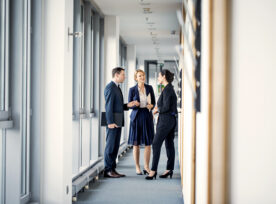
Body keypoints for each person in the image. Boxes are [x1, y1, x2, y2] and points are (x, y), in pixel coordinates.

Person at [103, 67, 138, 178]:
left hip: (117, 119)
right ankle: (108, 170)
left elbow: (117, 105)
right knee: (110, 146)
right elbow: (108, 106)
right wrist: (110, 122)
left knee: (115, 146)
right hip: (112, 121)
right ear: (117, 75)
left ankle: (112, 169)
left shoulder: (116, 87)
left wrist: (128, 105)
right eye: (123, 74)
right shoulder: (110, 87)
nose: (125, 76)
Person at [145, 69, 177, 180]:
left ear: (163, 77)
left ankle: (153, 171)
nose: (158, 78)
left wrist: (157, 110)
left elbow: (166, 107)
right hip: (169, 120)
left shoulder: (168, 90)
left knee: (156, 143)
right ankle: (169, 169)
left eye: (159, 76)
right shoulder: (168, 89)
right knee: (169, 144)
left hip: (166, 120)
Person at [128, 69, 156, 175]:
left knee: (148, 143)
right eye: (140, 76)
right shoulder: (132, 90)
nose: (142, 77)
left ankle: (146, 166)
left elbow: (153, 102)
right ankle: (137, 167)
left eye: (143, 75)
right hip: (136, 116)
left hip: (147, 116)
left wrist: (151, 106)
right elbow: (129, 104)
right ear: (136, 78)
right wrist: (134, 104)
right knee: (136, 143)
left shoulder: (149, 88)